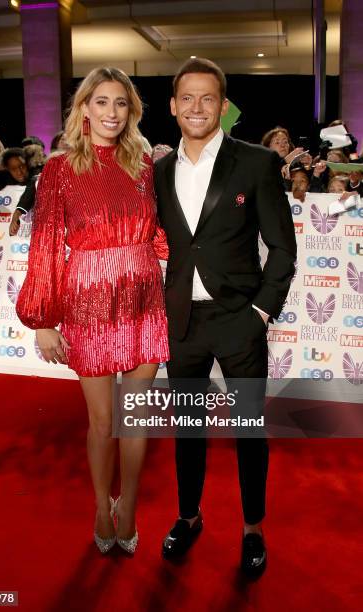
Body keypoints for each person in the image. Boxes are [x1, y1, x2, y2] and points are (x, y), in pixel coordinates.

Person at [16, 67, 169, 555]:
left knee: (134, 417)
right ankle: (103, 504)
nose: (111, 113)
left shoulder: (145, 164)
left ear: (132, 111)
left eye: (121, 103)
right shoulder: (59, 170)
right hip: (89, 300)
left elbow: (162, 230)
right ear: (83, 109)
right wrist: (43, 321)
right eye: (101, 102)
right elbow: (44, 245)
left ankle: (131, 510)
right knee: (102, 422)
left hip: (145, 294)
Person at [154, 58, 296, 576]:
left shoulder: (255, 163)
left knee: (249, 431)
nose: (196, 107)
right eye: (187, 98)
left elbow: (282, 247)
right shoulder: (159, 170)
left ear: (223, 105)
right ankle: (189, 516)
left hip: (240, 320)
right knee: (187, 428)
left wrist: (261, 311)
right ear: (172, 106)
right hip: (182, 324)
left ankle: (252, 527)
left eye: (207, 98)